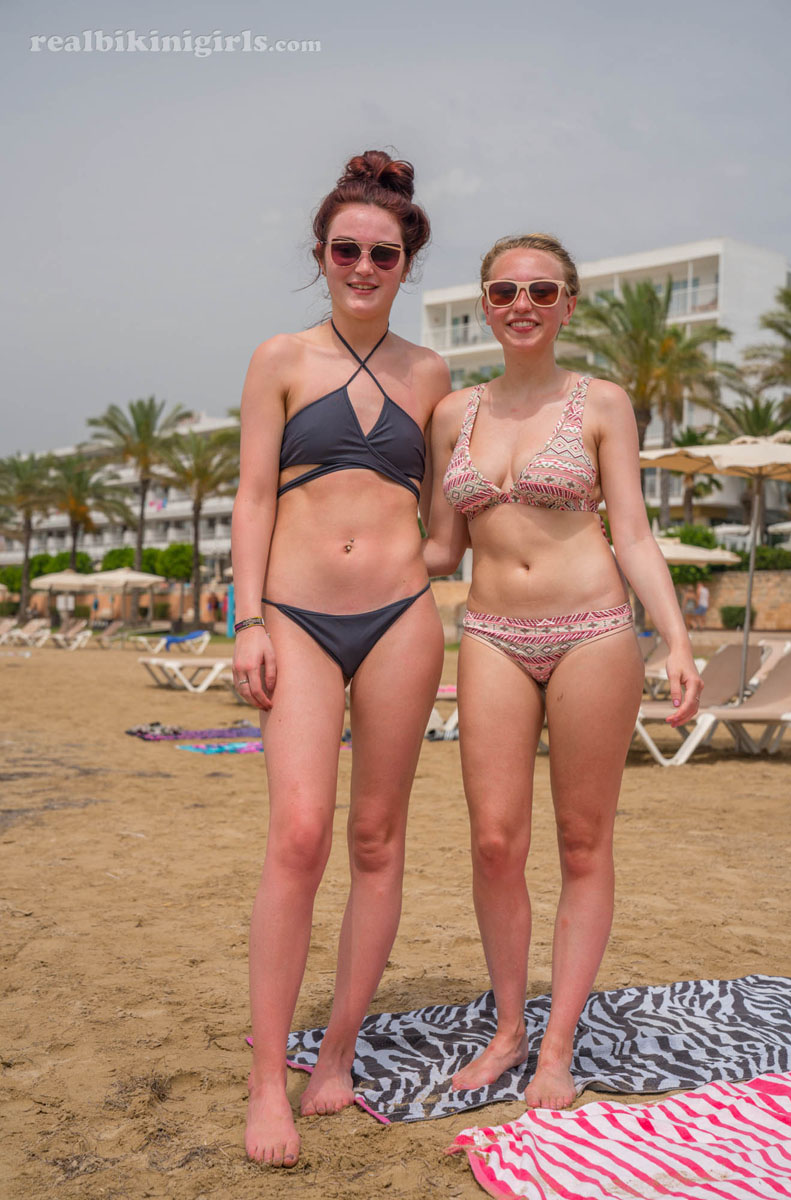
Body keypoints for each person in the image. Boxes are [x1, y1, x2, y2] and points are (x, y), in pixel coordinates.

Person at [423, 234, 702, 1111]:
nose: (523, 303)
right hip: (494, 633)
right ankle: (508, 1029)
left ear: (568, 304)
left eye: (542, 290)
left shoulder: (602, 403)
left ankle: (557, 1045)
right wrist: (321, 543)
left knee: (584, 843)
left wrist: (679, 639)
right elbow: (438, 545)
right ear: (485, 302)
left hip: (592, 631)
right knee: (495, 842)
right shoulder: (451, 416)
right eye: (505, 289)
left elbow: (635, 535)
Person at [231, 151, 450, 1167]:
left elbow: (446, 518)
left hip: (403, 616)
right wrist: (246, 619)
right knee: (299, 832)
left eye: (383, 253)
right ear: (319, 255)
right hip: (299, 619)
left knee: (375, 838)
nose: (363, 266)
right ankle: (265, 1078)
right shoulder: (279, 358)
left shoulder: (432, 375)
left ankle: (337, 1060)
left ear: (406, 263)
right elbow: (251, 500)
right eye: (345, 249)